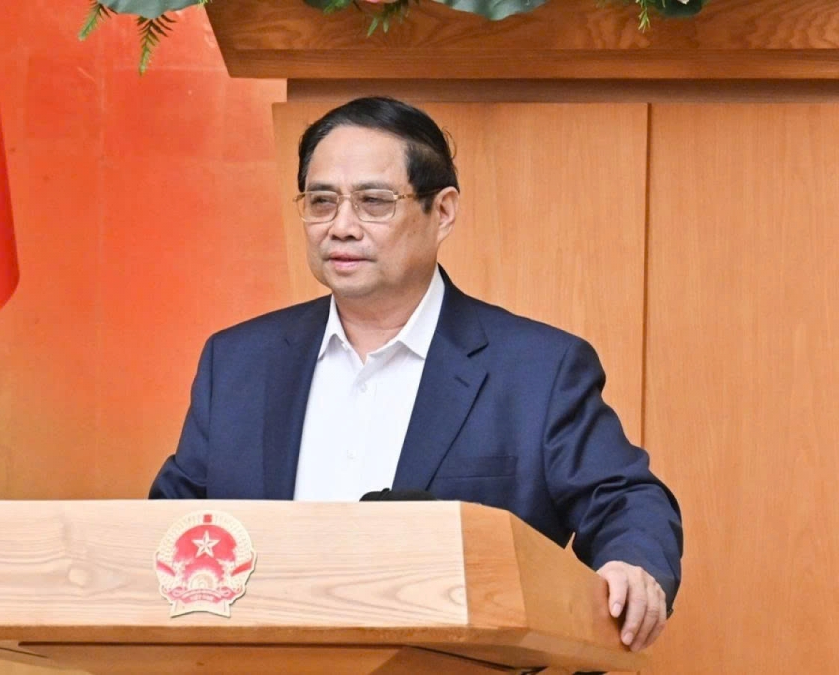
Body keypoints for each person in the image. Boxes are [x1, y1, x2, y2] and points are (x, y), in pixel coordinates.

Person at [149, 96, 682, 653]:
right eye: (321, 201)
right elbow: (168, 529)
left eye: (374, 202)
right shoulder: (237, 362)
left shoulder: (536, 369)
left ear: (443, 211)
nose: (342, 227)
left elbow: (625, 499)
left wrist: (631, 563)